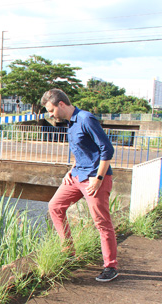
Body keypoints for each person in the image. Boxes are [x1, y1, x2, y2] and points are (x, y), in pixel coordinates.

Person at [41, 88, 118, 282]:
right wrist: (71, 170)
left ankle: (110, 266)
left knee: (102, 222)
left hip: (94, 179)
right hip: (77, 175)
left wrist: (98, 178)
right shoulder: (70, 123)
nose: (50, 115)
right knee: (55, 206)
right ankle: (69, 253)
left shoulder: (85, 119)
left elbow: (106, 149)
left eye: (51, 110)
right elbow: (82, 150)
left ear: (61, 104)